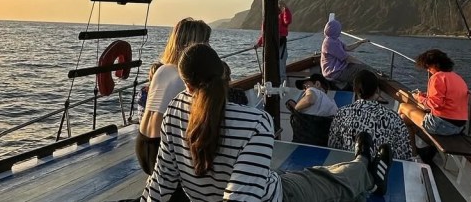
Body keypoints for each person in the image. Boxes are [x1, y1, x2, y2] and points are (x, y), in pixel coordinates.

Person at [142, 43, 393, 201]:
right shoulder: (255, 123)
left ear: (186, 84)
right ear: (225, 76)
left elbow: (161, 184)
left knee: (306, 175)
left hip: (262, 184)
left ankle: (362, 164)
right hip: (277, 196)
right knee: (327, 182)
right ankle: (367, 171)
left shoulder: (174, 110)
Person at [136, 18, 211, 176]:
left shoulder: (162, 70)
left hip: (142, 144)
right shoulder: (183, 78)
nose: (209, 48)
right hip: (160, 152)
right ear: (192, 45)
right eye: (205, 42)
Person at [328, 69, 413, 160]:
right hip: (381, 168)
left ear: (354, 90)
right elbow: (405, 155)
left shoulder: (341, 113)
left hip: (348, 166)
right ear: (377, 90)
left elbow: (332, 146)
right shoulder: (393, 118)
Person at [398, 49, 469, 156]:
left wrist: (419, 98)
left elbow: (436, 104)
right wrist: (426, 96)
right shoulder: (458, 78)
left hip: (442, 125)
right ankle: (416, 152)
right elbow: (447, 100)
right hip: (459, 126)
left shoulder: (437, 77)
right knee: (404, 118)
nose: (427, 70)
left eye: (428, 67)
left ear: (435, 65)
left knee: (403, 106)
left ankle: (403, 148)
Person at [286, 73, 338, 146]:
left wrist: (296, 108)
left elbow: (310, 100)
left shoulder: (313, 90)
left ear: (317, 84)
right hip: (323, 144)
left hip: (304, 142)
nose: (304, 90)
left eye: (305, 86)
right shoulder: (331, 103)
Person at [320, 18, 370, 89]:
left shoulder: (334, 40)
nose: (340, 31)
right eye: (339, 29)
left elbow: (347, 48)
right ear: (335, 30)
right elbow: (347, 58)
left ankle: (353, 86)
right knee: (365, 70)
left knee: (360, 68)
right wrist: (363, 64)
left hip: (338, 69)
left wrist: (360, 42)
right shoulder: (330, 43)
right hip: (334, 73)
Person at [254, 0, 292, 82]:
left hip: (280, 44)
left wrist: (285, 8)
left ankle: (282, 84)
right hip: (270, 45)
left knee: (281, 65)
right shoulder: (267, 20)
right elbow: (264, 34)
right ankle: (269, 83)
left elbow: (288, 21)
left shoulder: (282, 16)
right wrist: (258, 44)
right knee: (268, 65)